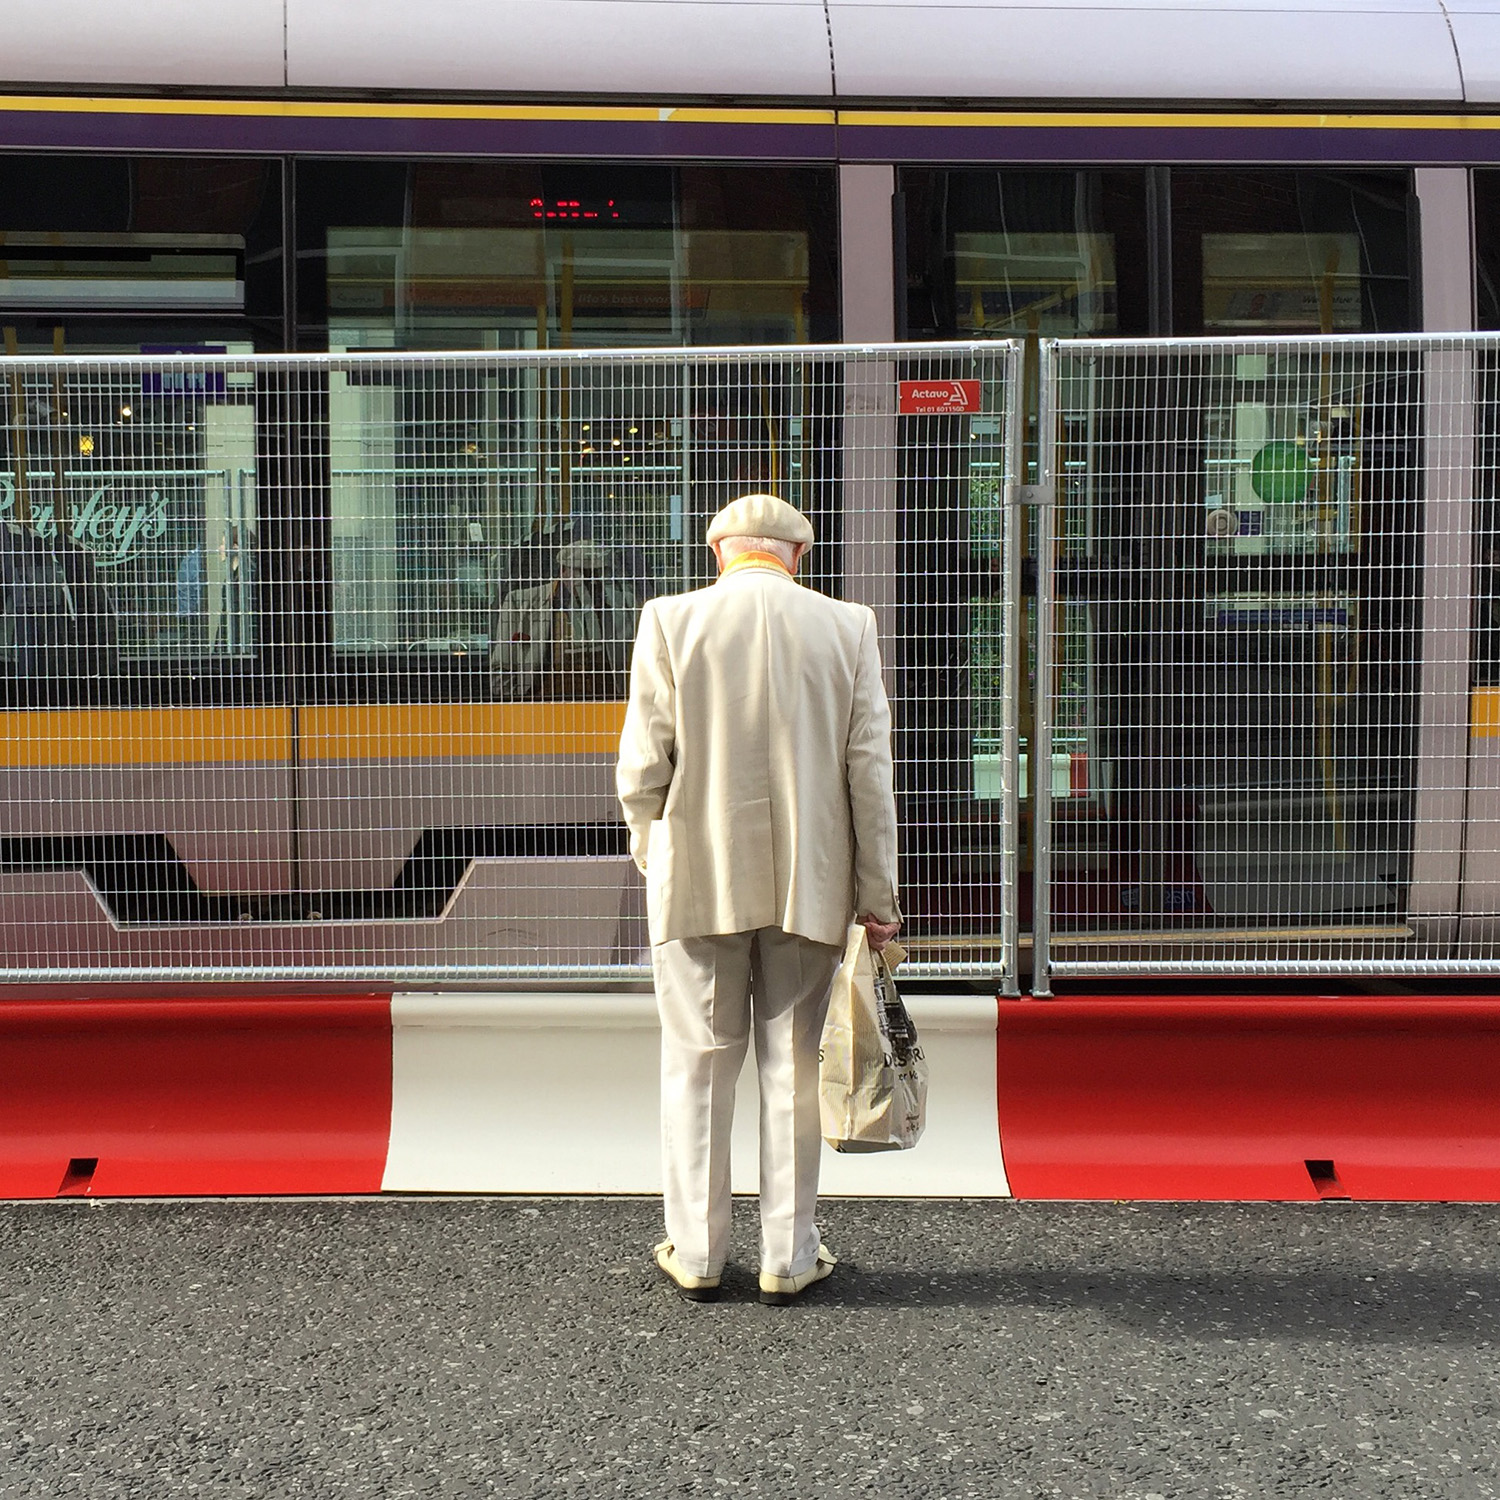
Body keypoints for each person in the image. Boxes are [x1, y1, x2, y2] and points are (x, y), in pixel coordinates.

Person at [616, 493, 902, 1307]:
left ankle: (700, 1254)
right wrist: (876, 896)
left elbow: (642, 770)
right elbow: (869, 777)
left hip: (697, 879)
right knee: (791, 1068)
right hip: (809, 885)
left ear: (718, 553)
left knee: (699, 1065)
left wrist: (654, 851)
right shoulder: (847, 627)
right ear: (797, 556)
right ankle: (789, 1254)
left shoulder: (670, 620)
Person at [490, 539, 637, 701]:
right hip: (543, 707)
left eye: (597, 573)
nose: (592, 581)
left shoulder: (625, 603)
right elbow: (502, 665)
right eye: (584, 573)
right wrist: (516, 706)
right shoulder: (520, 602)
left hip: (607, 705)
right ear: (563, 571)